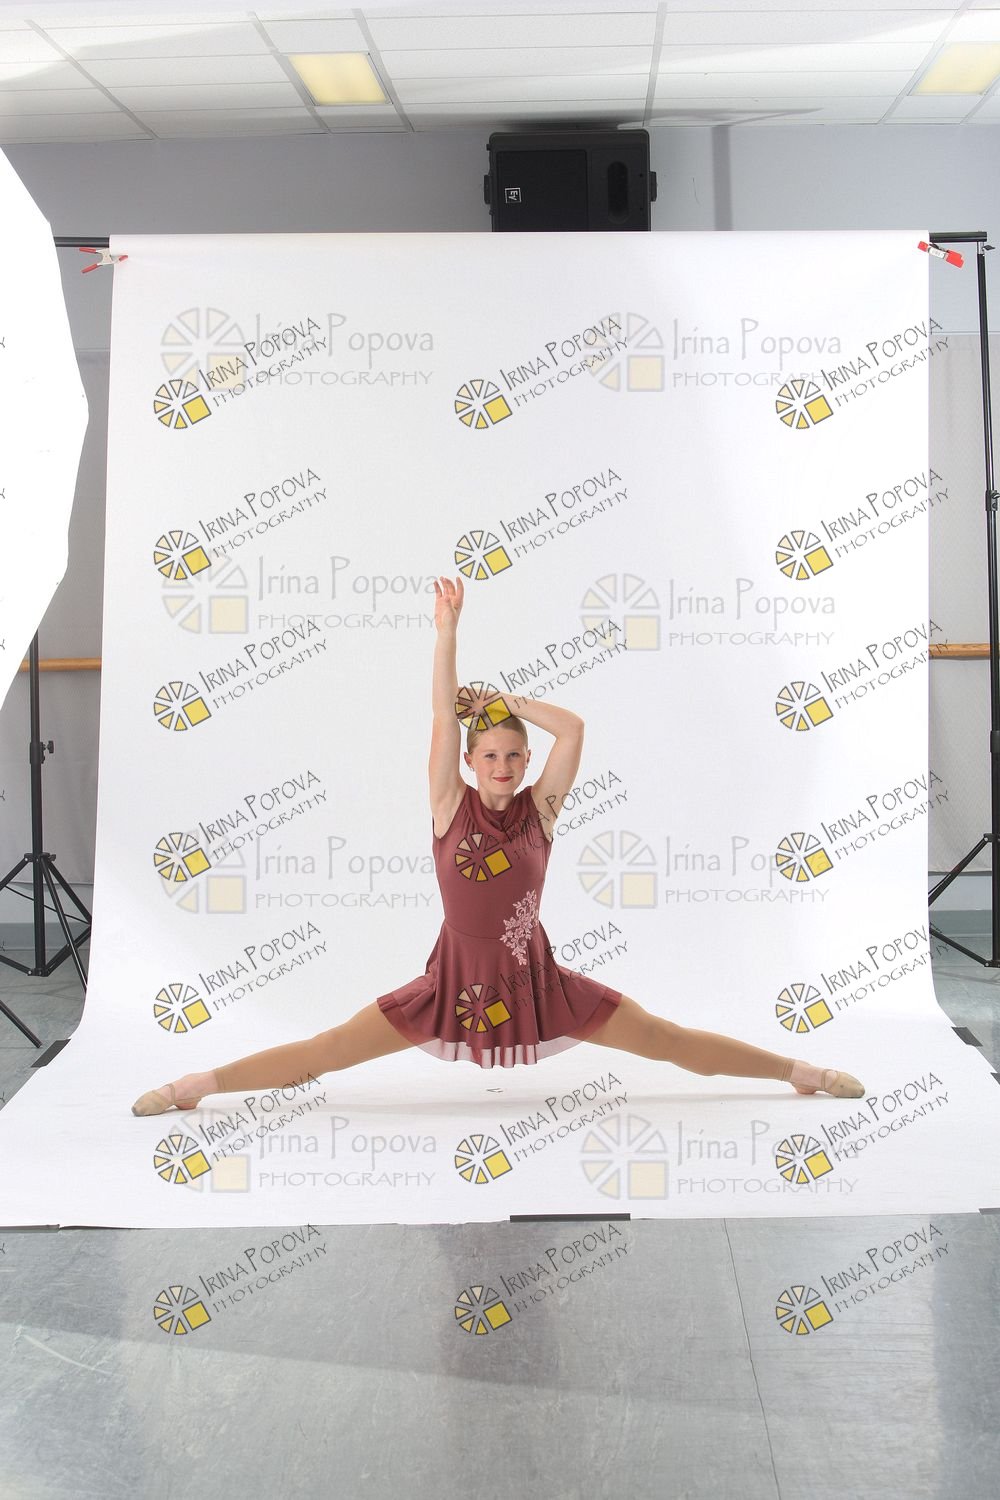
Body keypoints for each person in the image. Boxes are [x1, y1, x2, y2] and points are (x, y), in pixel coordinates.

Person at [131, 575, 863, 1115]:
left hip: (536, 983)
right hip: (452, 985)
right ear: (471, 763)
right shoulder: (449, 806)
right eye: (491, 756)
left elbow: (573, 729)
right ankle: (194, 1085)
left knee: (664, 1038)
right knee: (327, 1051)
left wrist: (506, 704)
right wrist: (447, 636)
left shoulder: (541, 811)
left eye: (514, 755)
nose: (504, 766)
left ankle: (802, 1073)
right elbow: (442, 718)